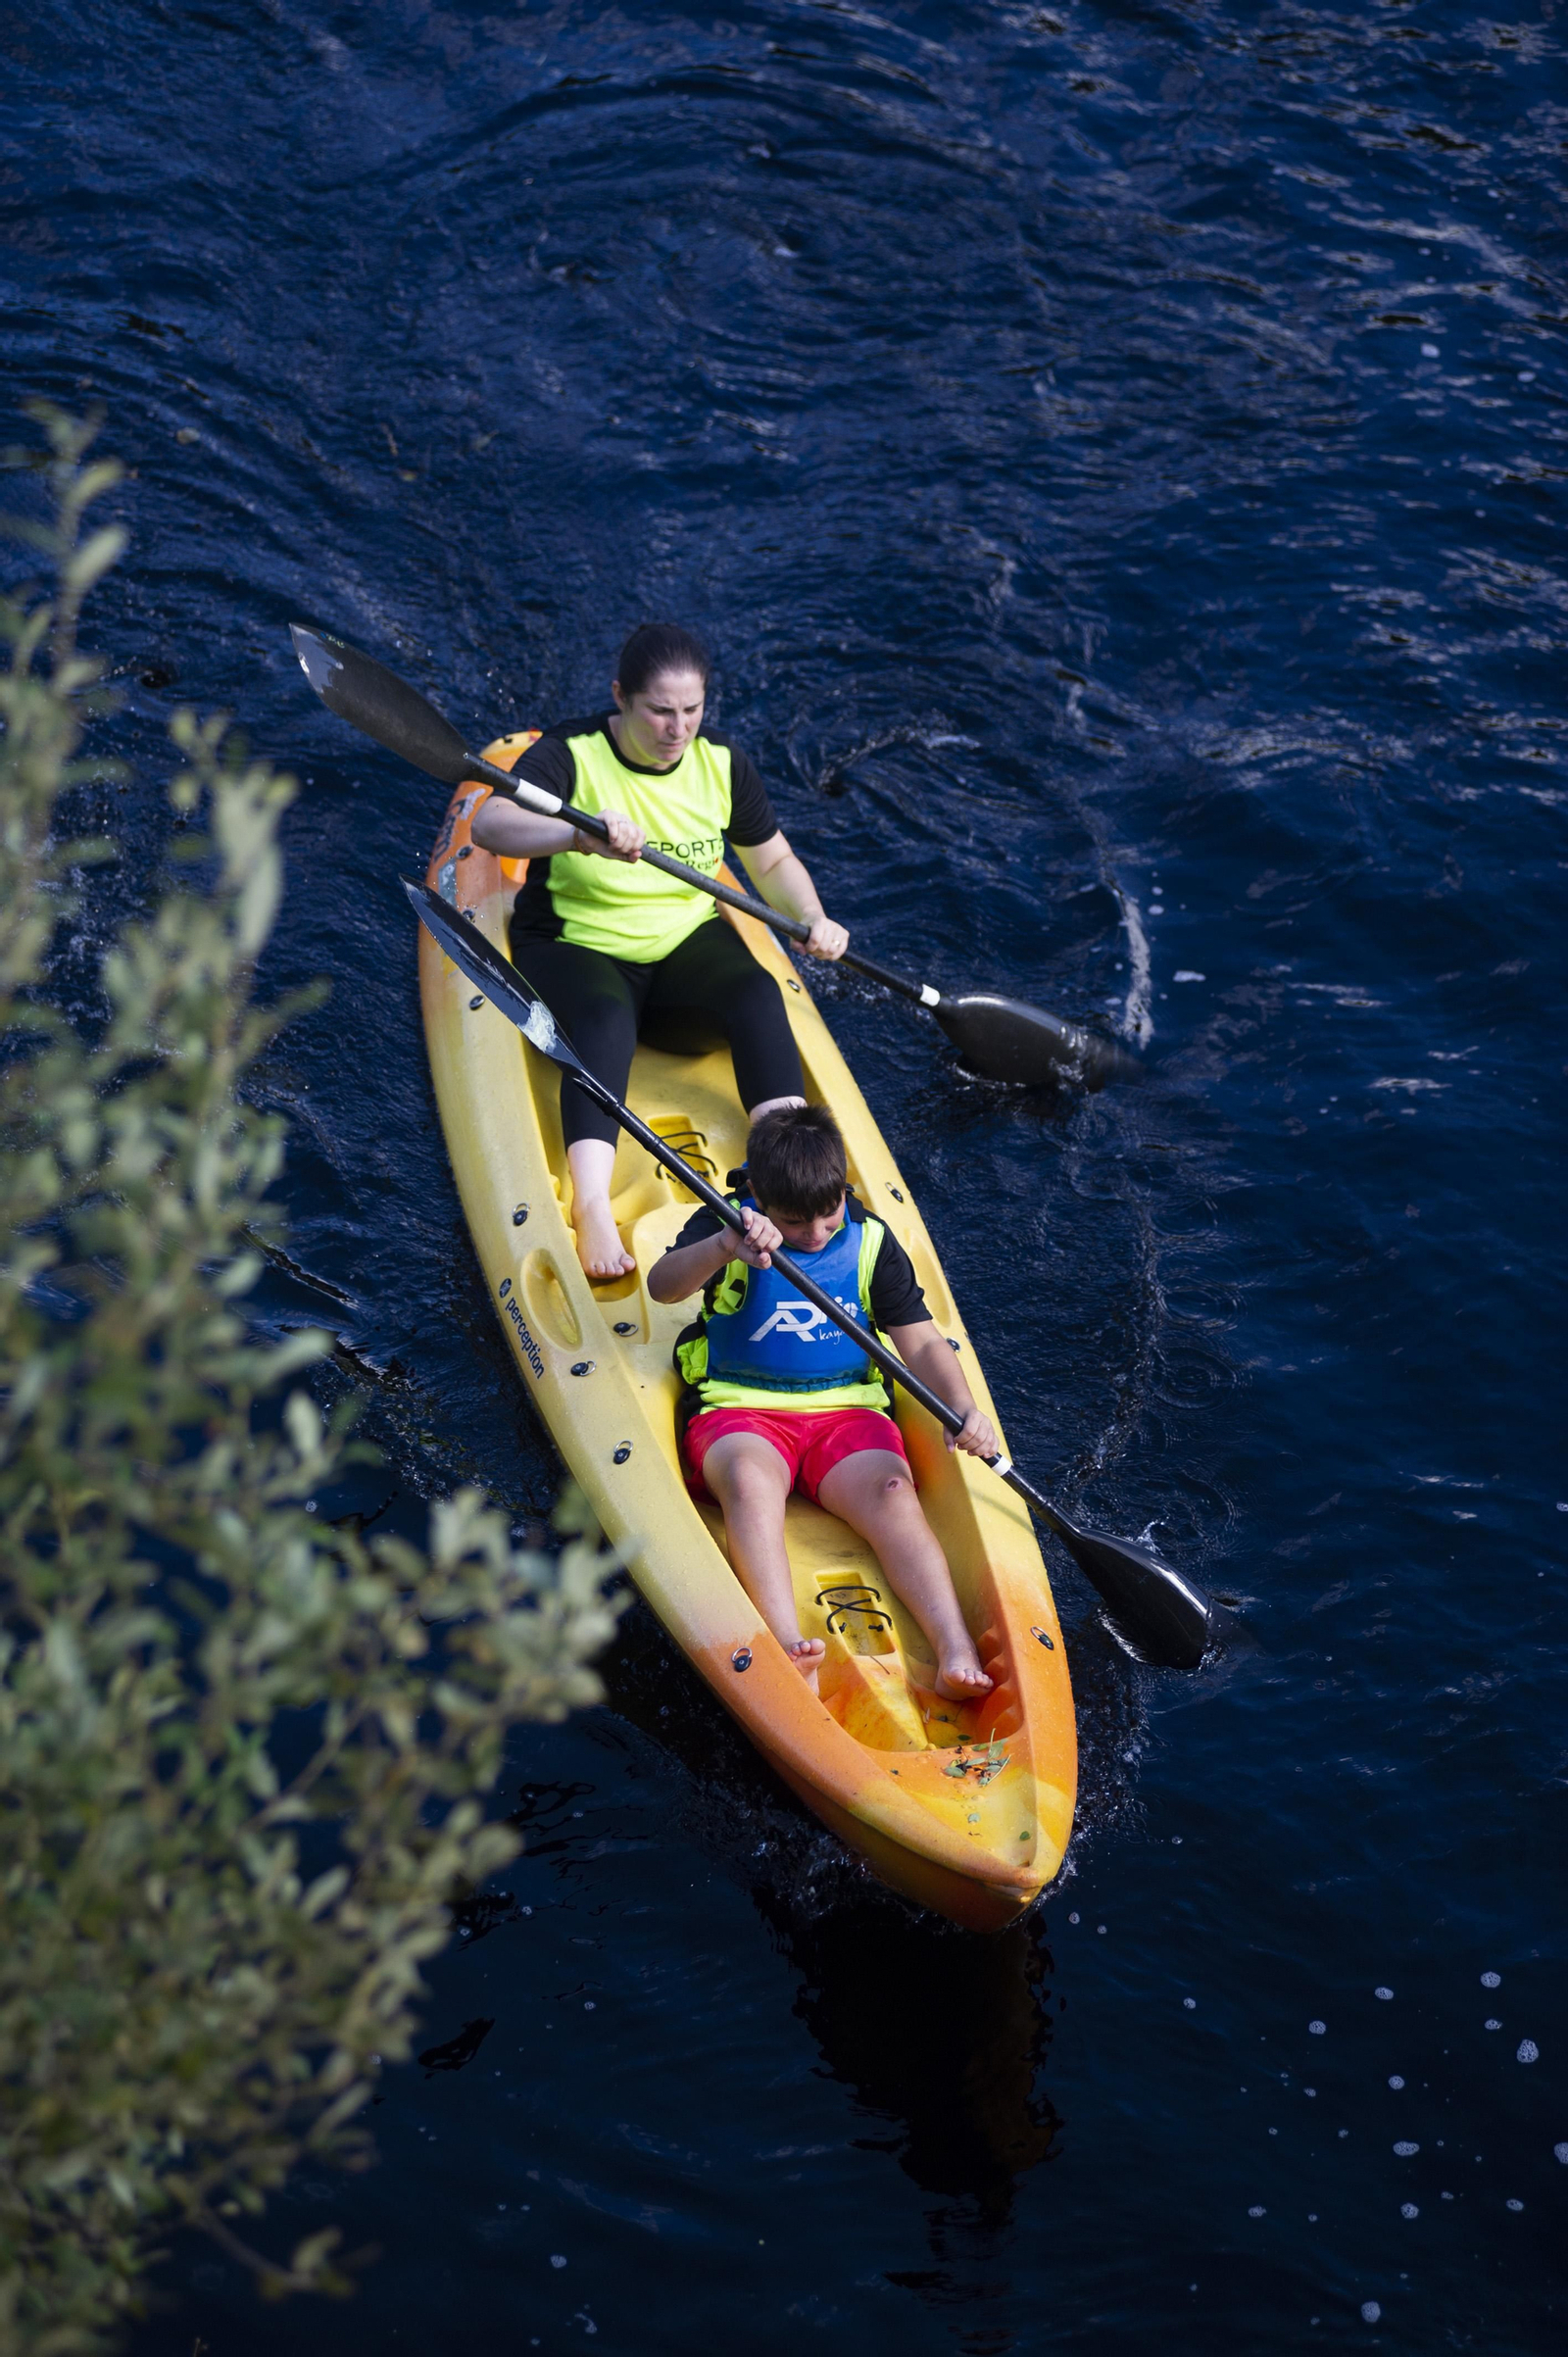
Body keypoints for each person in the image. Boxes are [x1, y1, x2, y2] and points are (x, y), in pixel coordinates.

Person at [470, 623, 849, 1281]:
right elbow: (490, 824)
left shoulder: (721, 762)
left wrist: (811, 916)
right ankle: (592, 1204)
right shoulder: (574, 752)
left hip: (682, 946)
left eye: (692, 710)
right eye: (661, 711)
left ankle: (793, 1181)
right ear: (621, 697)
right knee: (603, 1021)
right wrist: (576, 834)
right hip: (575, 942)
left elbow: (772, 861)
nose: (679, 729)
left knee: (757, 994)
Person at [647, 1104, 997, 1700]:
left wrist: (962, 1405)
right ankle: (787, 1647)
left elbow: (920, 1340)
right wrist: (724, 1246)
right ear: (759, 1195)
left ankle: (954, 1649)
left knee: (895, 1493)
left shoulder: (870, 1240)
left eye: (828, 1215)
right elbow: (663, 1286)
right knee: (750, 1485)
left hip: (846, 1413)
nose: (814, 1235)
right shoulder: (725, 1221)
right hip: (741, 1410)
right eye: (793, 1222)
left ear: (842, 1188)